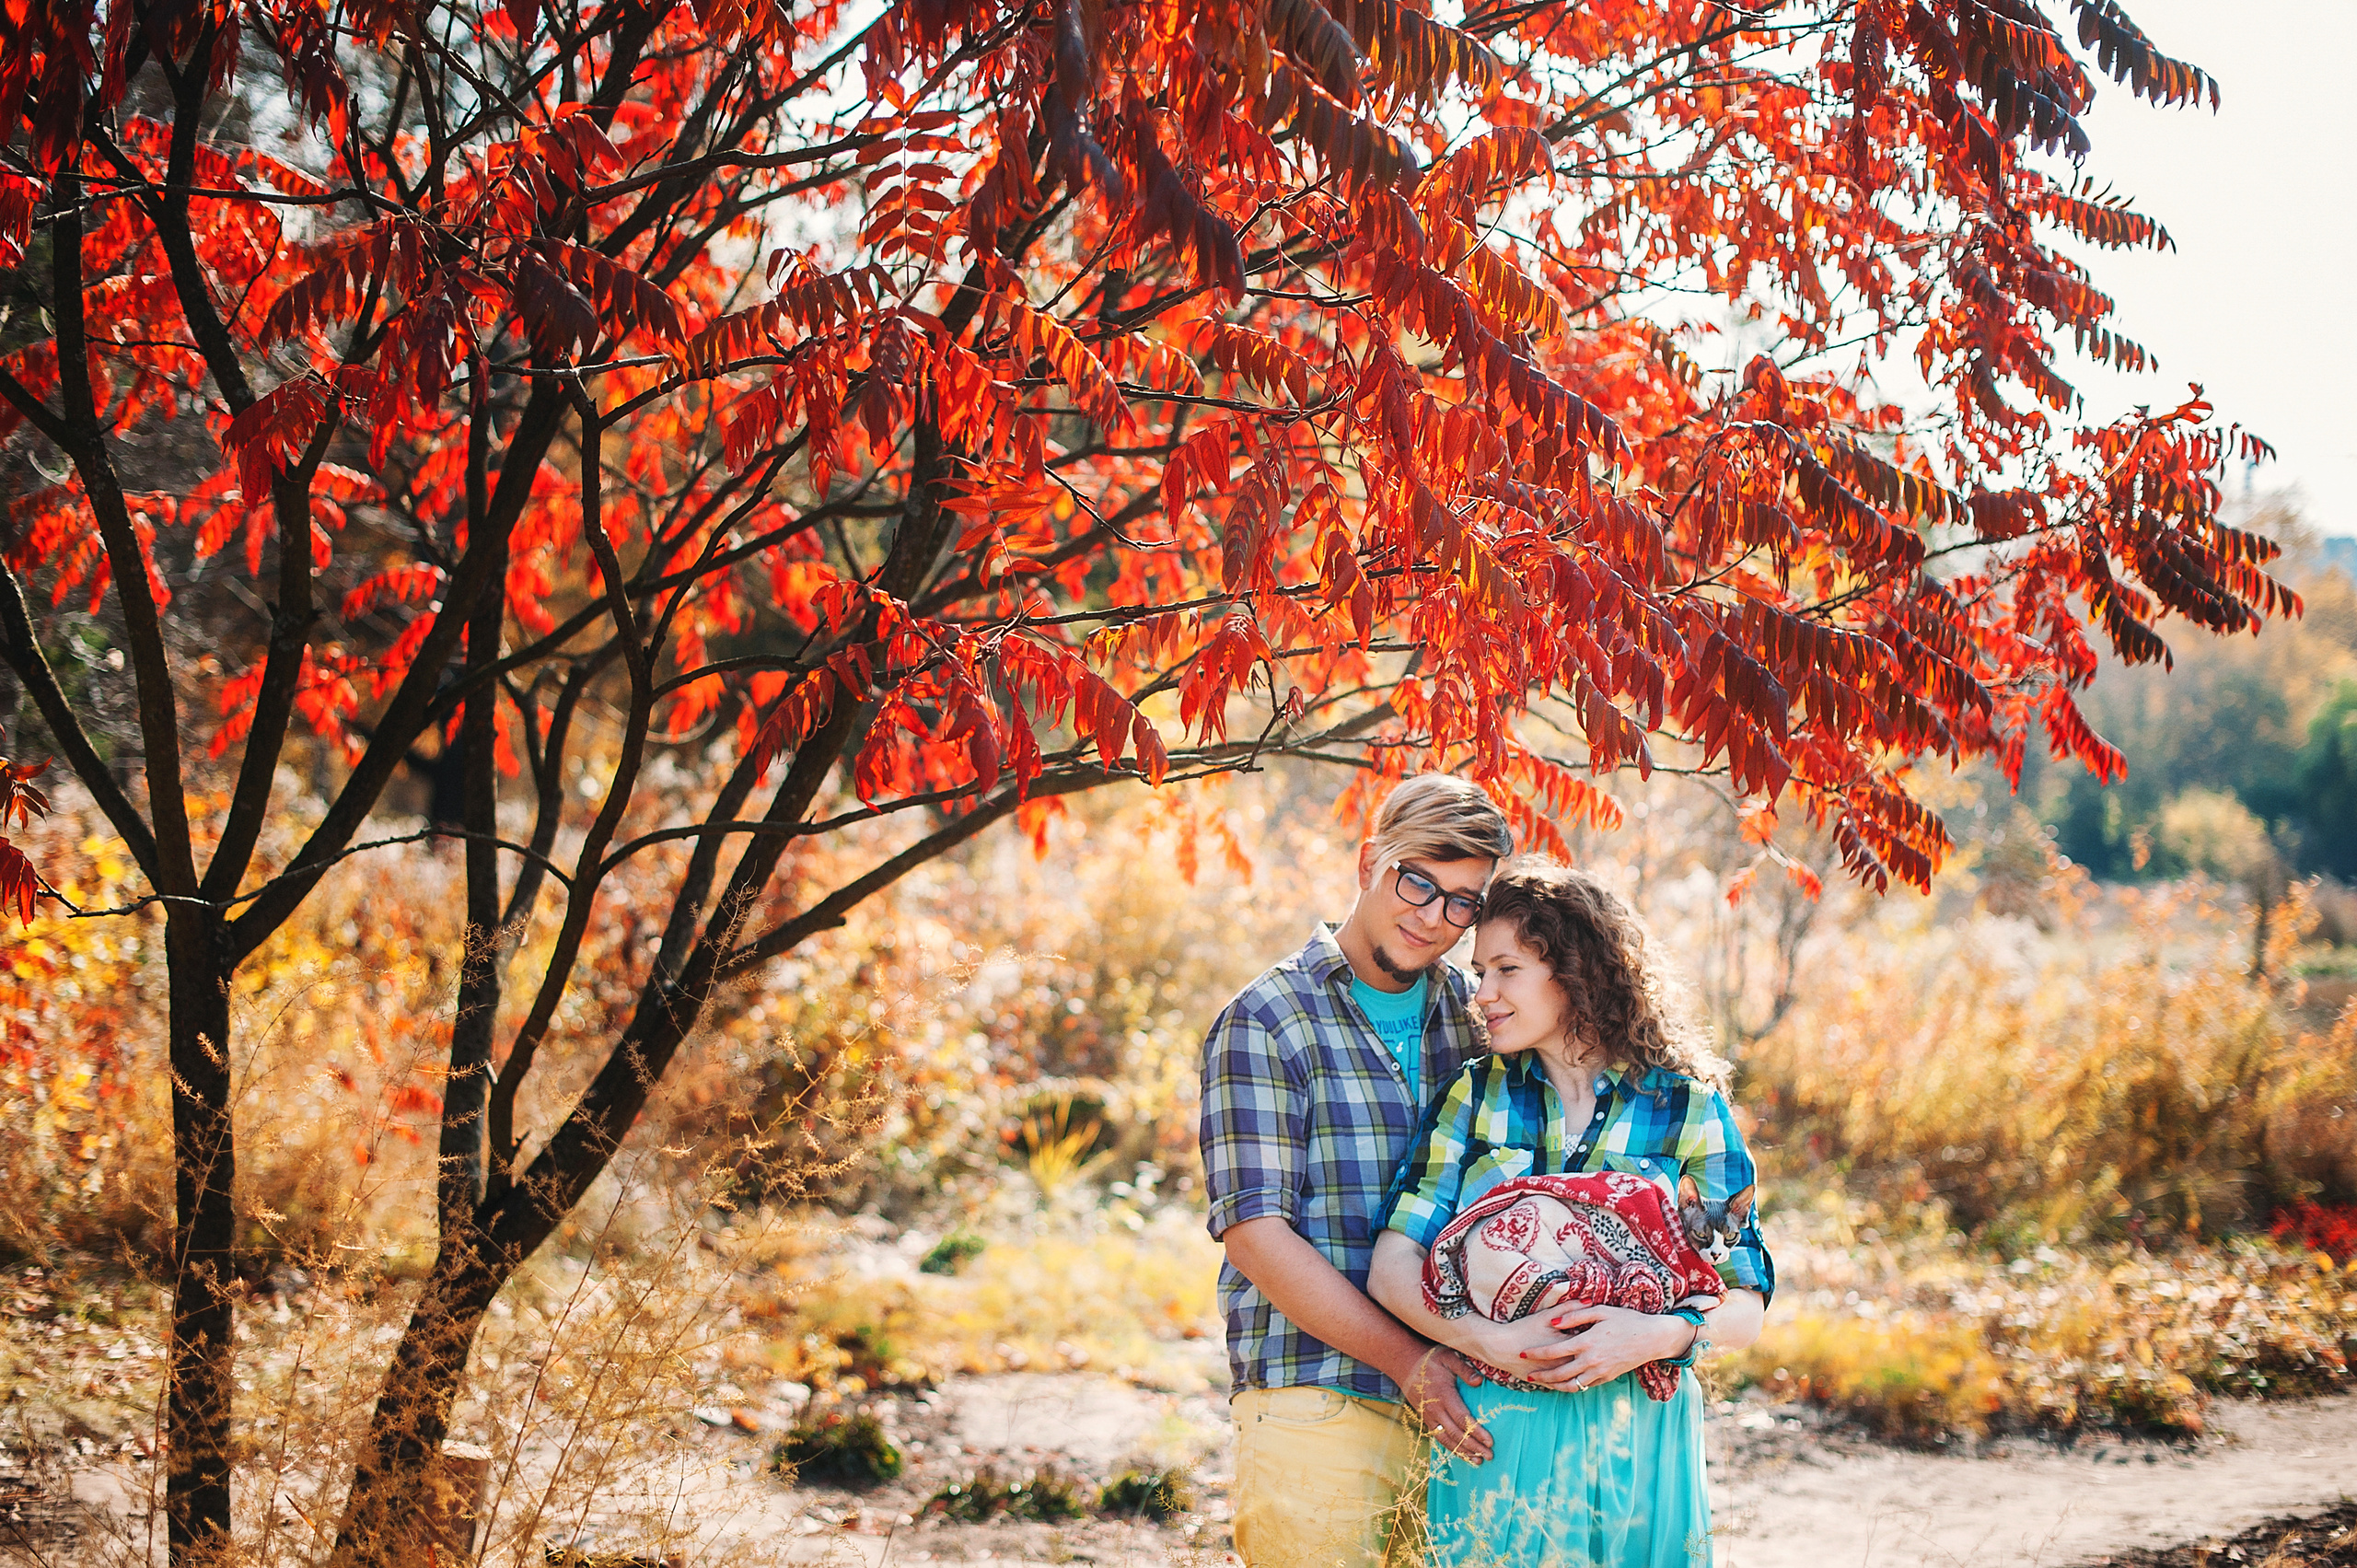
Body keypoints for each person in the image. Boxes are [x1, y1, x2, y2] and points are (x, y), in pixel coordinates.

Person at [1368, 862, 1775, 1568]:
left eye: (1506, 969)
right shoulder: (1476, 1095)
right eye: (1478, 970)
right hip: (1496, 1428)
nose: (1481, 992)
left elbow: (1747, 1301)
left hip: (1639, 1437)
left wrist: (1657, 1333)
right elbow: (1391, 1264)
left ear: (1577, 972)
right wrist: (1479, 1339)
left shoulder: (1686, 1107)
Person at [1198, 773, 1520, 1567]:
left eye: (1462, 902)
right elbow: (1256, 1235)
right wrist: (1406, 1359)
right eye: (1417, 881)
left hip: (1465, 1404)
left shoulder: (1481, 1017)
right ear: (1370, 860)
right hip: (1318, 1391)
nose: (1432, 916)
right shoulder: (1267, 1017)